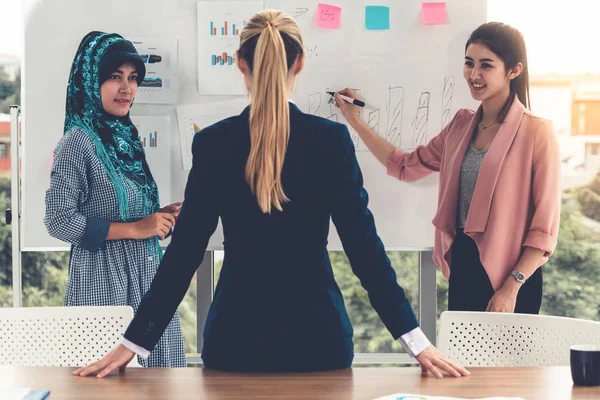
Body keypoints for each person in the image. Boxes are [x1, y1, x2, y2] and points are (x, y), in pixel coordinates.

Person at [74, 11, 468, 378]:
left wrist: (132, 342)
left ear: (240, 63)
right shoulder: (329, 141)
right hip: (318, 341)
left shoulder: (213, 144)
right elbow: (364, 248)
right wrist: (416, 341)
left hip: (235, 340)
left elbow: (184, 253)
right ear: (299, 64)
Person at [334, 22, 560, 314]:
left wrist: (512, 285)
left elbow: (544, 229)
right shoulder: (461, 125)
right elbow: (404, 165)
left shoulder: (537, 132)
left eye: (486, 66)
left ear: (514, 70)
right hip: (465, 265)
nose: (474, 75)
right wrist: (355, 121)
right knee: (463, 360)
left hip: (514, 275)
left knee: (509, 362)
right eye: (469, 63)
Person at [44, 31, 186, 367]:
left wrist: (161, 217)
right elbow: (59, 221)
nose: (127, 88)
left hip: (148, 279)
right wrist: (137, 228)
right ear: (91, 79)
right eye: (114, 77)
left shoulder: (126, 139)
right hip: (103, 281)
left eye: (133, 78)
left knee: (161, 387)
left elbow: (127, 211)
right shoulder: (77, 142)